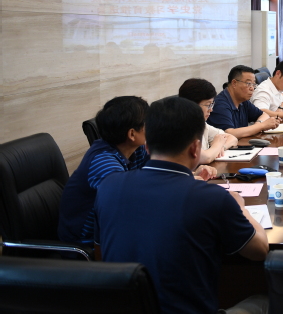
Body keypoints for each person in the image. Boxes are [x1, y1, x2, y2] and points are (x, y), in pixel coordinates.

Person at [94, 97, 270, 314]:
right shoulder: (214, 198)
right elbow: (260, 250)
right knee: (265, 300)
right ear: (196, 148)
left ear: (147, 146)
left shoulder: (109, 186)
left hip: (122, 307)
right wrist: (240, 205)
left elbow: (101, 249)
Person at [58, 96, 150, 246]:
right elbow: (128, 205)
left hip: (113, 230)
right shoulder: (103, 163)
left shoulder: (134, 148)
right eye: (148, 122)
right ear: (132, 134)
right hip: (87, 243)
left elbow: (162, 167)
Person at [207, 65, 280, 137]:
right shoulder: (220, 105)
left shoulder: (243, 100)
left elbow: (264, 115)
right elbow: (229, 134)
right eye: (248, 83)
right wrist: (261, 126)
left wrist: (258, 124)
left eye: (253, 84)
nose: (252, 88)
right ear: (234, 83)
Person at [178, 78, 239, 163]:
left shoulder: (201, 124)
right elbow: (206, 157)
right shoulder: (180, 127)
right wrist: (217, 145)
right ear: (192, 105)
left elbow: (232, 138)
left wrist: (222, 147)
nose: (211, 110)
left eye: (212, 104)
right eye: (208, 105)